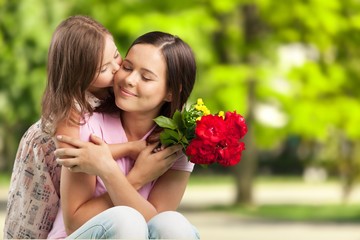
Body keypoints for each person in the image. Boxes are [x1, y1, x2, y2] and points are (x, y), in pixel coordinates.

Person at [4, 16, 179, 239]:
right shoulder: (70, 111)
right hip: (42, 185)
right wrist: (130, 151)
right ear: (82, 77)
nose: (118, 69)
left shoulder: (111, 95)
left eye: (117, 55)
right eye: (106, 68)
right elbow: (82, 154)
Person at [49, 31, 200, 239]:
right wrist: (136, 178)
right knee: (126, 220)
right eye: (127, 67)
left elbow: (156, 225)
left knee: (173, 224)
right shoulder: (84, 126)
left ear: (171, 92)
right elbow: (74, 223)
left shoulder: (177, 144)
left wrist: (109, 171)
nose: (129, 79)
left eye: (146, 77)